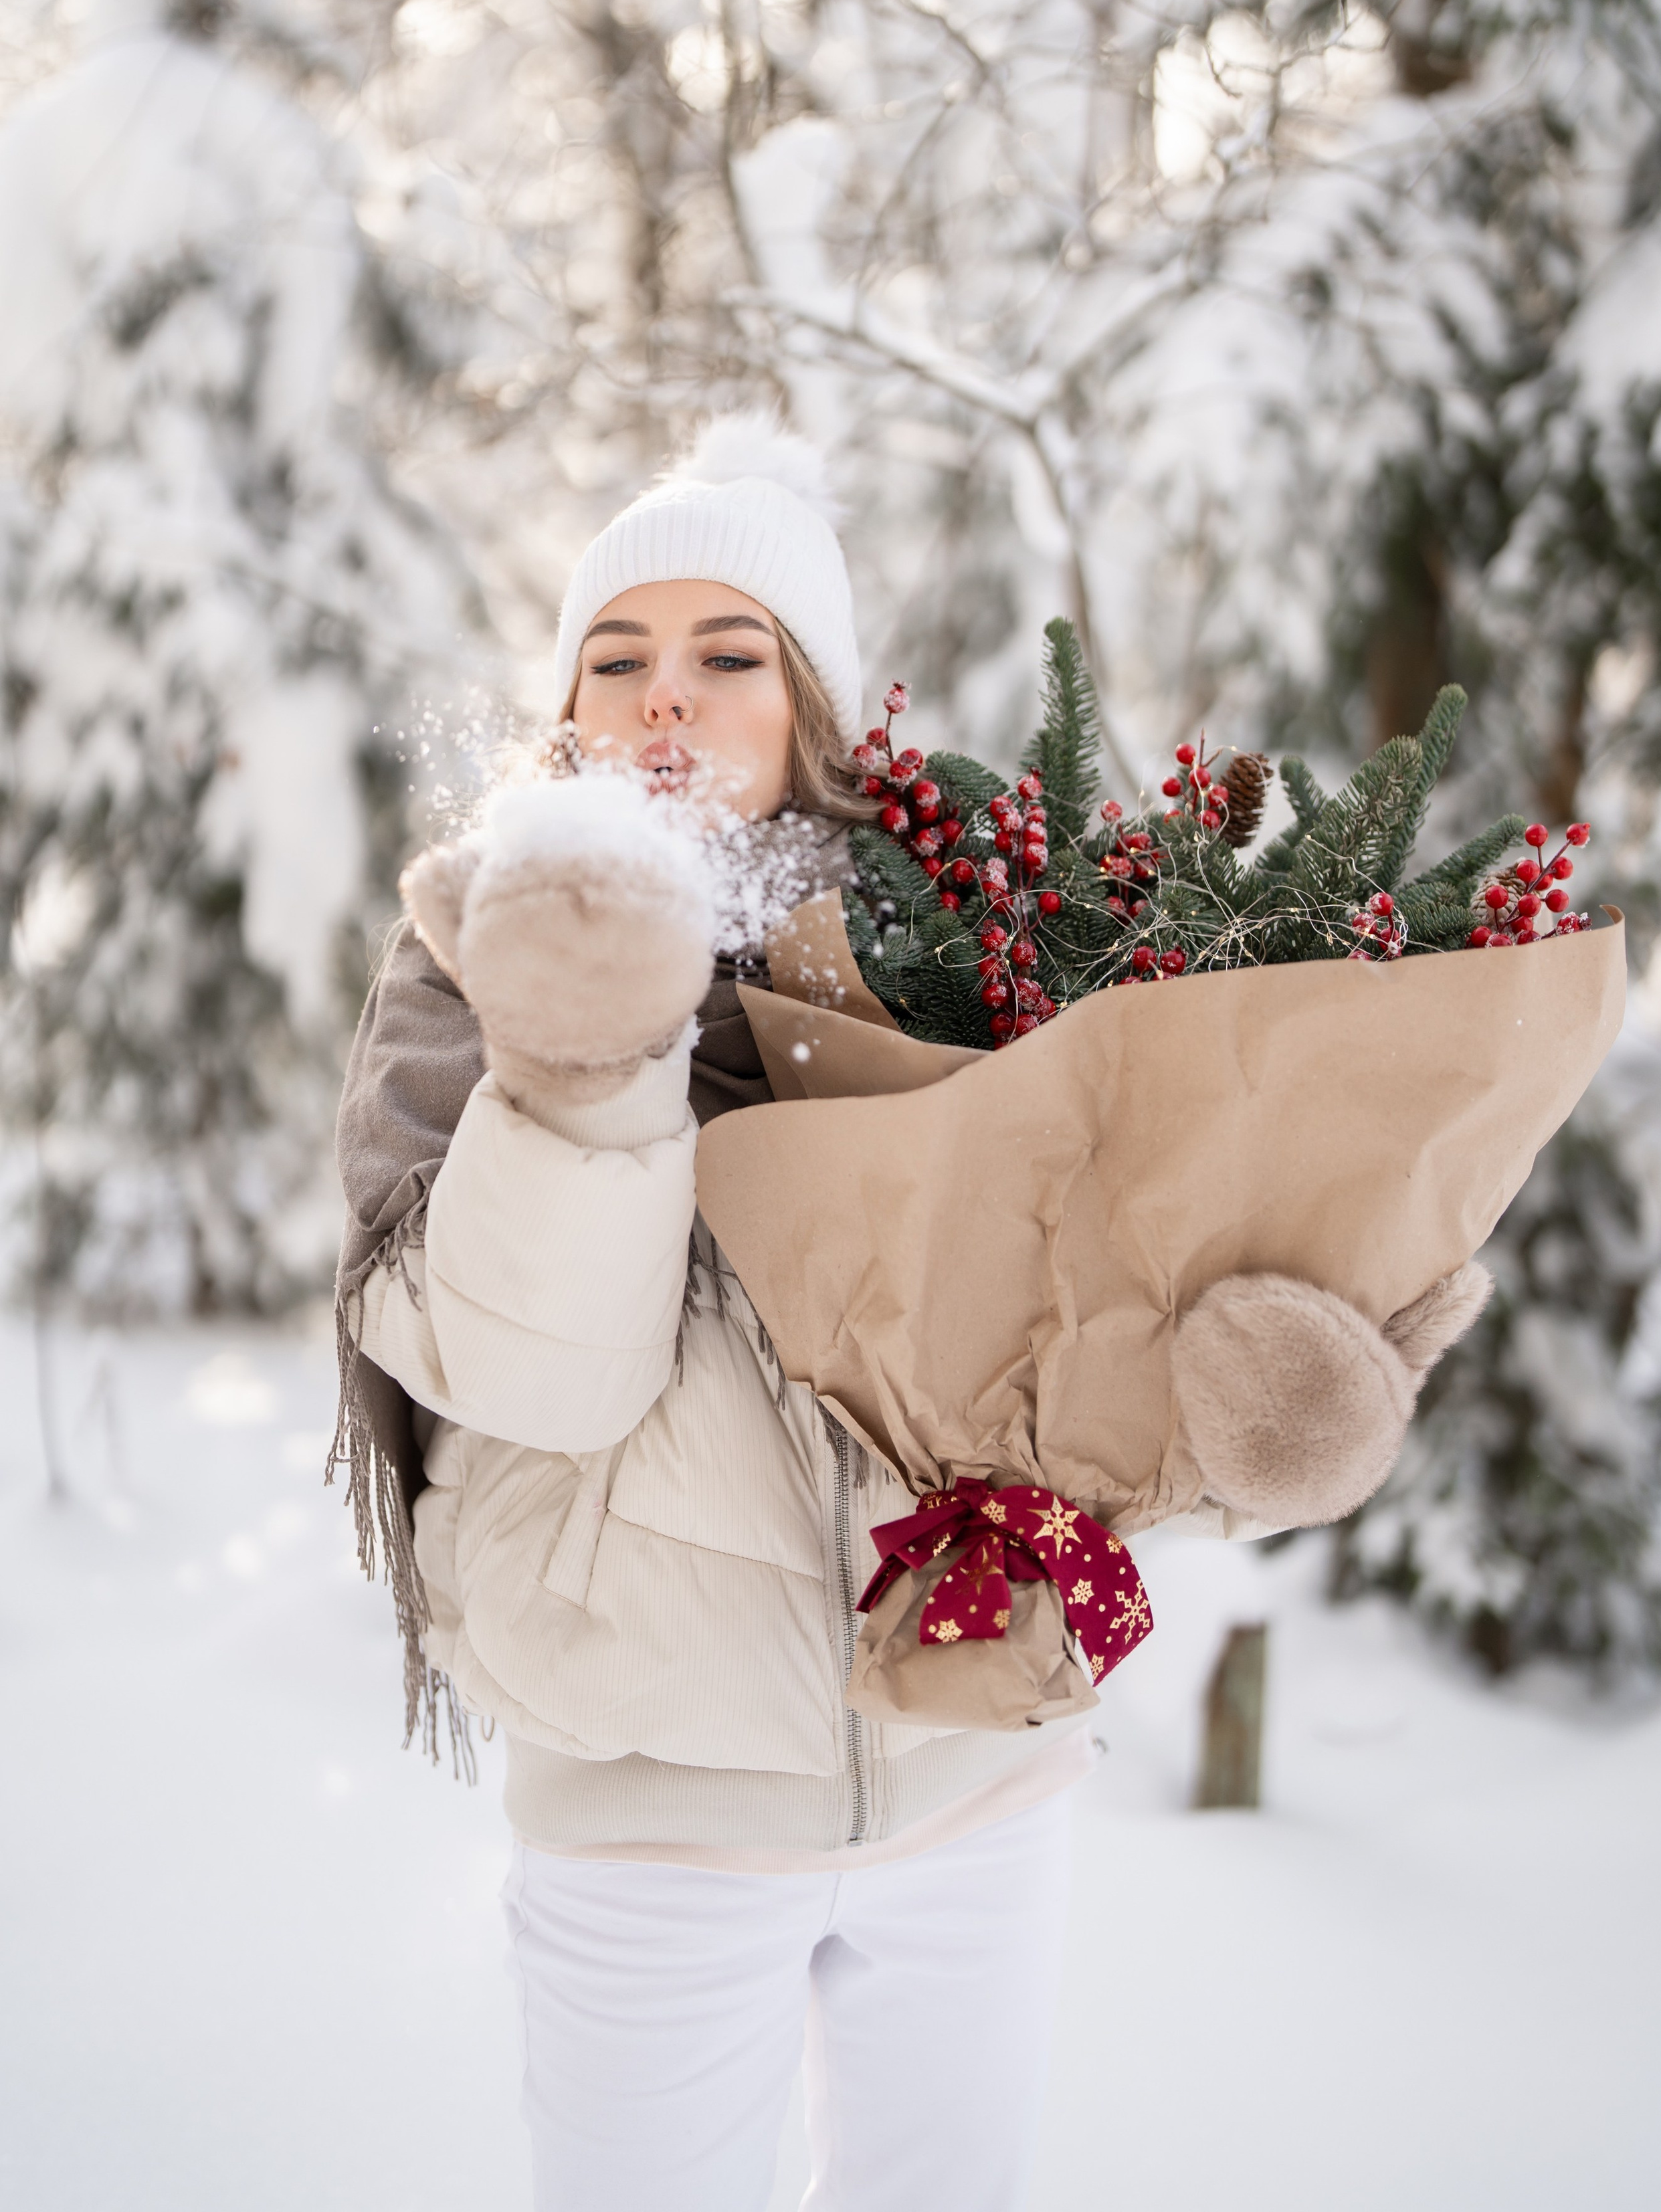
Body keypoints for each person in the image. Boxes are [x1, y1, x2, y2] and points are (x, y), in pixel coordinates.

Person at [333, 415, 1092, 2212]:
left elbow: (1069, 1336)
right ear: (569, 709)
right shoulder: (476, 958)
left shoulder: (981, 941)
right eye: (619, 658)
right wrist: (592, 1046)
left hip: (979, 1761)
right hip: (654, 1809)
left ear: (815, 706)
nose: (665, 698)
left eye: (727, 656)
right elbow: (532, 1370)